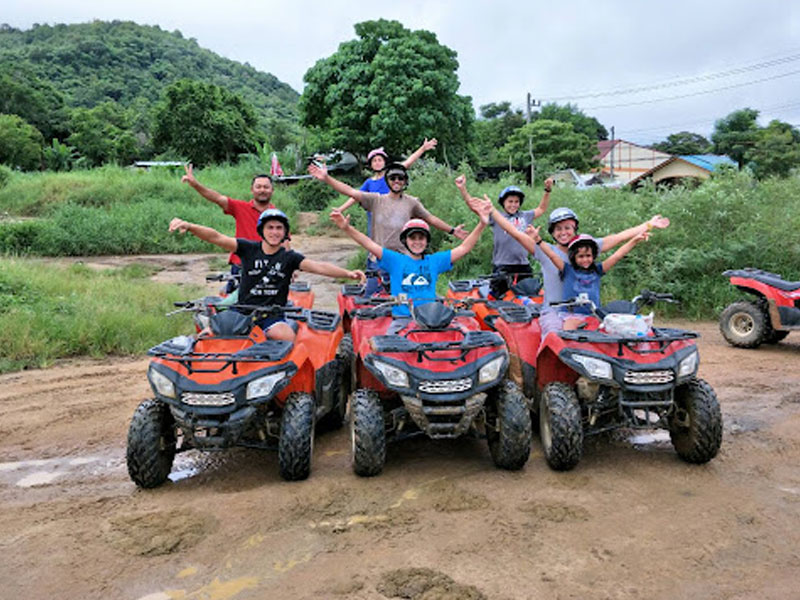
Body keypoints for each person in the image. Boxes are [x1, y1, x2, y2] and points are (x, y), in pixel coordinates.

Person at [464, 197, 670, 334]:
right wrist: (493, 212)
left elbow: (617, 239)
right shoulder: (545, 251)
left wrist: (648, 225)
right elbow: (517, 233)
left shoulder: (585, 248)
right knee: (554, 338)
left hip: (586, 311)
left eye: (568, 227)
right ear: (552, 233)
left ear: (575, 228)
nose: (564, 232)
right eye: (559, 229)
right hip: (553, 311)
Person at [169, 208, 365, 341]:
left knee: (288, 338)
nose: (274, 232)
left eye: (279, 228)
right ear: (262, 230)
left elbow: (319, 267)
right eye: (270, 227)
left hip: (271, 316)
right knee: (204, 338)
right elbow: (216, 237)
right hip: (241, 312)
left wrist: (349, 273)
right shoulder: (247, 248)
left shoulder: (290, 258)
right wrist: (190, 226)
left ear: (285, 232)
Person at [309, 161, 468, 295]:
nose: (396, 181)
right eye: (393, 178)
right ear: (387, 181)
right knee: (373, 304)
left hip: (404, 260)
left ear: (405, 181)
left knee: (406, 302)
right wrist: (327, 178)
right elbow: (351, 191)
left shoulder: (412, 203)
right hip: (378, 260)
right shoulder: (376, 200)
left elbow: (430, 218)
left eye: (400, 178)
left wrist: (452, 230)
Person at [329, 210, 487, 331]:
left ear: (426, 241)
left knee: (461, 338)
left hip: (432, 320)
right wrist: (347, 228)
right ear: (406, 240)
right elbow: (368, 243)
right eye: (413, 238)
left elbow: (464, 247)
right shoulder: (395, 260)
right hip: (403, 319)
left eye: (421, 238)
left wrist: (482, 223)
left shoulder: (435, 261)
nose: (417, 242)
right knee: (387, 353)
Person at [527, 228, 650, 330]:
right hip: (572, 315)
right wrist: (538, 240)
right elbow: (552, 255)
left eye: (588, 256)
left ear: (593, 256)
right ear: (573, 257)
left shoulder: (598, 270)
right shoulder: (567, 270)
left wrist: (634, 240)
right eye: (581, 256)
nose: (585, 260)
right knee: (568, 336)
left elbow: (617, 255)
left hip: (593, 315)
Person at [181, 164, 278, 292]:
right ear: (252, 190)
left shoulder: (277, 215)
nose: (262, 190)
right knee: (233, 306)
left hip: (268, 267)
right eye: (258, 187)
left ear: (272, 190)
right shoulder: (240, 207)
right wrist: (195, 184)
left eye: (266, 187)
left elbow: (285, 243)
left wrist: (290, 267)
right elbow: (217, 198)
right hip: (241, 266)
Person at [455, 174, 552, 299]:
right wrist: (463, 189)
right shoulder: (497, 217)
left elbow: (542, 208)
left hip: (523, 265)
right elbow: (475, 207)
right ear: (503, 203)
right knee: (498, 298)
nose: (513, 205)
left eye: (516, 202)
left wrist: (547, 190)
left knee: (529, 297)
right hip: (502, 265)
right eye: (510, 201)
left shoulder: (525, 216)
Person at [334, 139, 440, 236]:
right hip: (375, 217)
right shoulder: (369, 182)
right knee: (375, 242)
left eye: (380, 160)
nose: (377, 163)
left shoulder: (391, 177)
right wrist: (341, 209)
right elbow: (354, 196)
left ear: (384, 162)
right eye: (374, 161)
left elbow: (407, 163)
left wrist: (423, 148)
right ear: (371, 164)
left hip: (394, 211)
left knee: (397, 238)